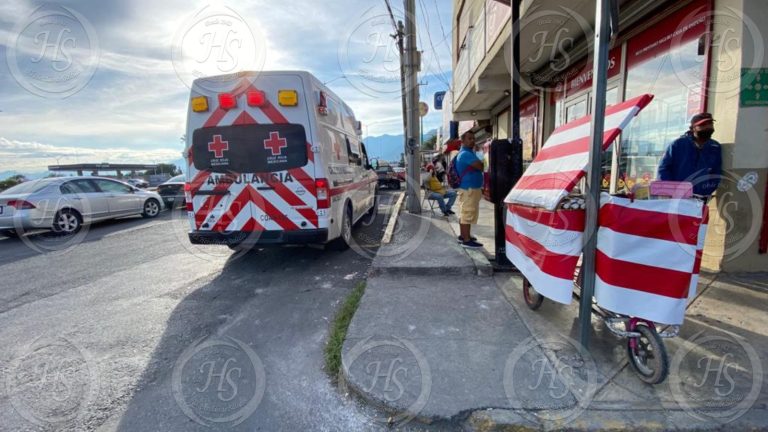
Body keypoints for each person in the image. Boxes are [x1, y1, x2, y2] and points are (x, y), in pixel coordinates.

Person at [658, 113, 722, 198]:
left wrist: (707, 190)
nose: (707, 127)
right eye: (702, 124)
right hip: (677, 198)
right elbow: (663, 169)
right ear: (692, 128)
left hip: (701, 198)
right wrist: (671, 192)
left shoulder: (715, 147)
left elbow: (716, 172)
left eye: (710, 123)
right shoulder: (677, 144)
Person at [455, 131, 484, 249]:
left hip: (469, 189)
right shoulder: (466, 154)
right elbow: (481, 166)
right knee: (467, 213)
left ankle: (464, 235)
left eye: (473, 138)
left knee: (466, 213)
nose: (472, 140)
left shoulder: (467, 153)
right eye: (469, 138)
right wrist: (480, 155)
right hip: (469, 189)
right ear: (463, 141)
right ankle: (466, 240)